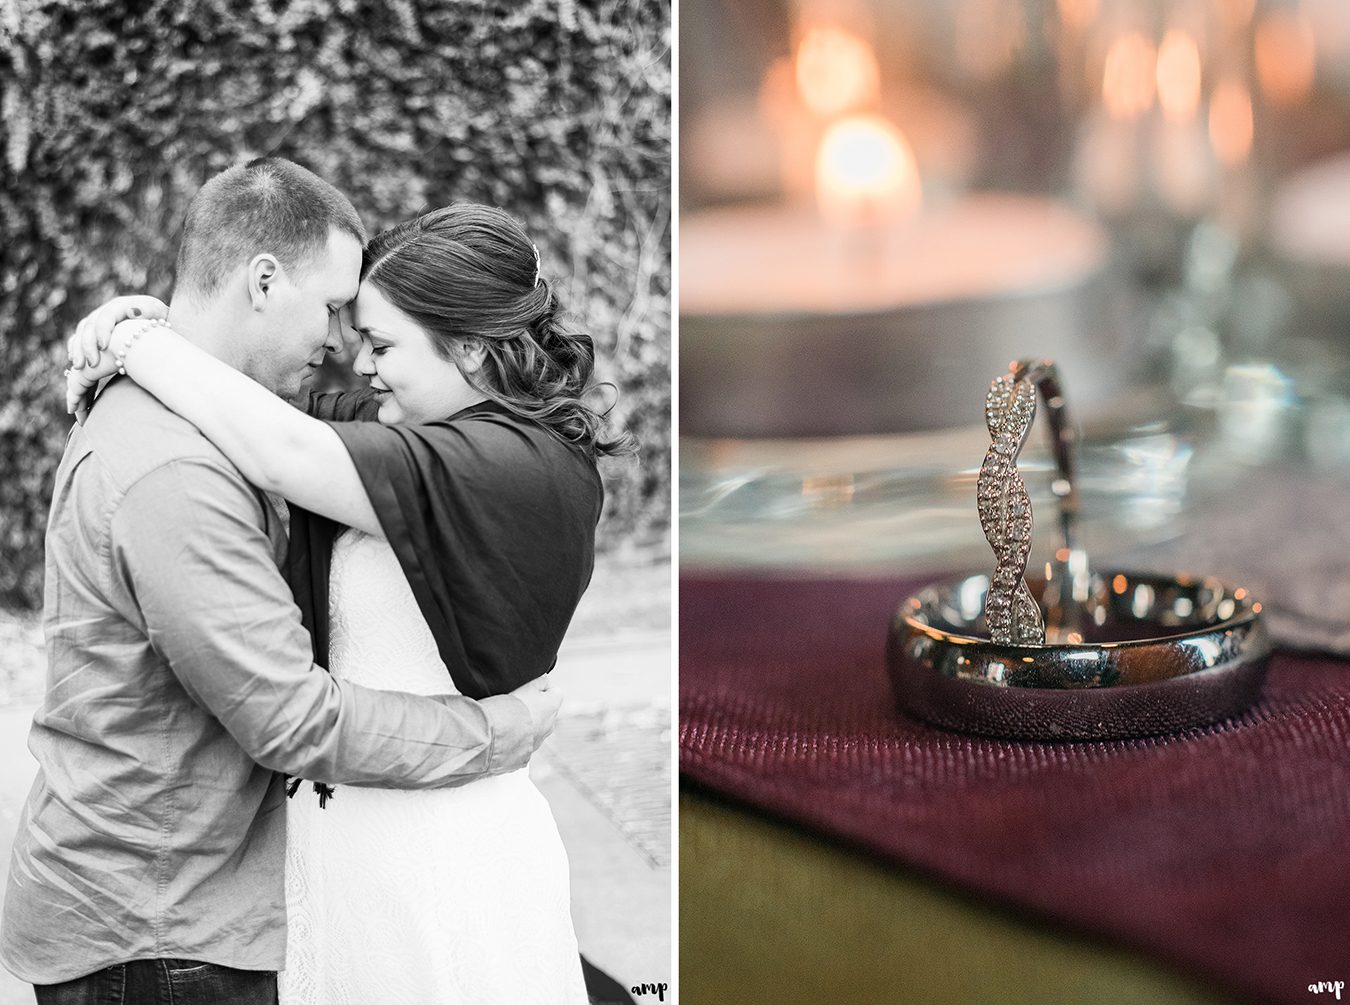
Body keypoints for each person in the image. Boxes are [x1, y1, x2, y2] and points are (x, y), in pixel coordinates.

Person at [1, 159, 561, 1005]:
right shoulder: (179, 468)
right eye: (337, 310)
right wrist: (494, 734)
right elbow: (289, 716)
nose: (342, 346)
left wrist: (131, 335)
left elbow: (301, 449)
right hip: (154, 932)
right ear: (264, 282)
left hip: (191, 908)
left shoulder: (227, 421)